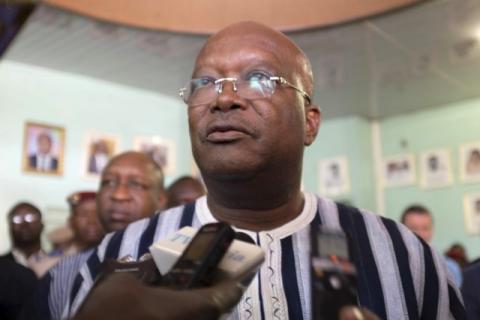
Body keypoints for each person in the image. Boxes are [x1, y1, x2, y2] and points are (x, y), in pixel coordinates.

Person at [66, 22, 464, 319]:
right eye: (205, 83)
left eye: (257, 78)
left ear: (310, 122)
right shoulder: (120, 257)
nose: (223, 99)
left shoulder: (402, 254)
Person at [23, 151, 167, 320]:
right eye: (108, 182)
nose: (118, 195)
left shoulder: (178, 265)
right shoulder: (61, 274)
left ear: (161, 199)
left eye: (136, 184)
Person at [32, 191, 105, 277]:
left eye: (97, 214)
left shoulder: (112, 253)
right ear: (71, 221)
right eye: (84, 214)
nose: (92, 221)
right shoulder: (55, 255)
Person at [400, 205, 463, 287]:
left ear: (431, 231)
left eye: (425, 228)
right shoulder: (393, 267)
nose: (419, 234)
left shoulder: (449, 268)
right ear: (400, 229)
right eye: (413, 228)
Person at [0, 202, 48, 277]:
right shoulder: (2, 266)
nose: (24, 224)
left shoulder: (57, 264)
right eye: (17, 219)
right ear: (10, 227)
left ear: (42, 225)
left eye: (30, 218)